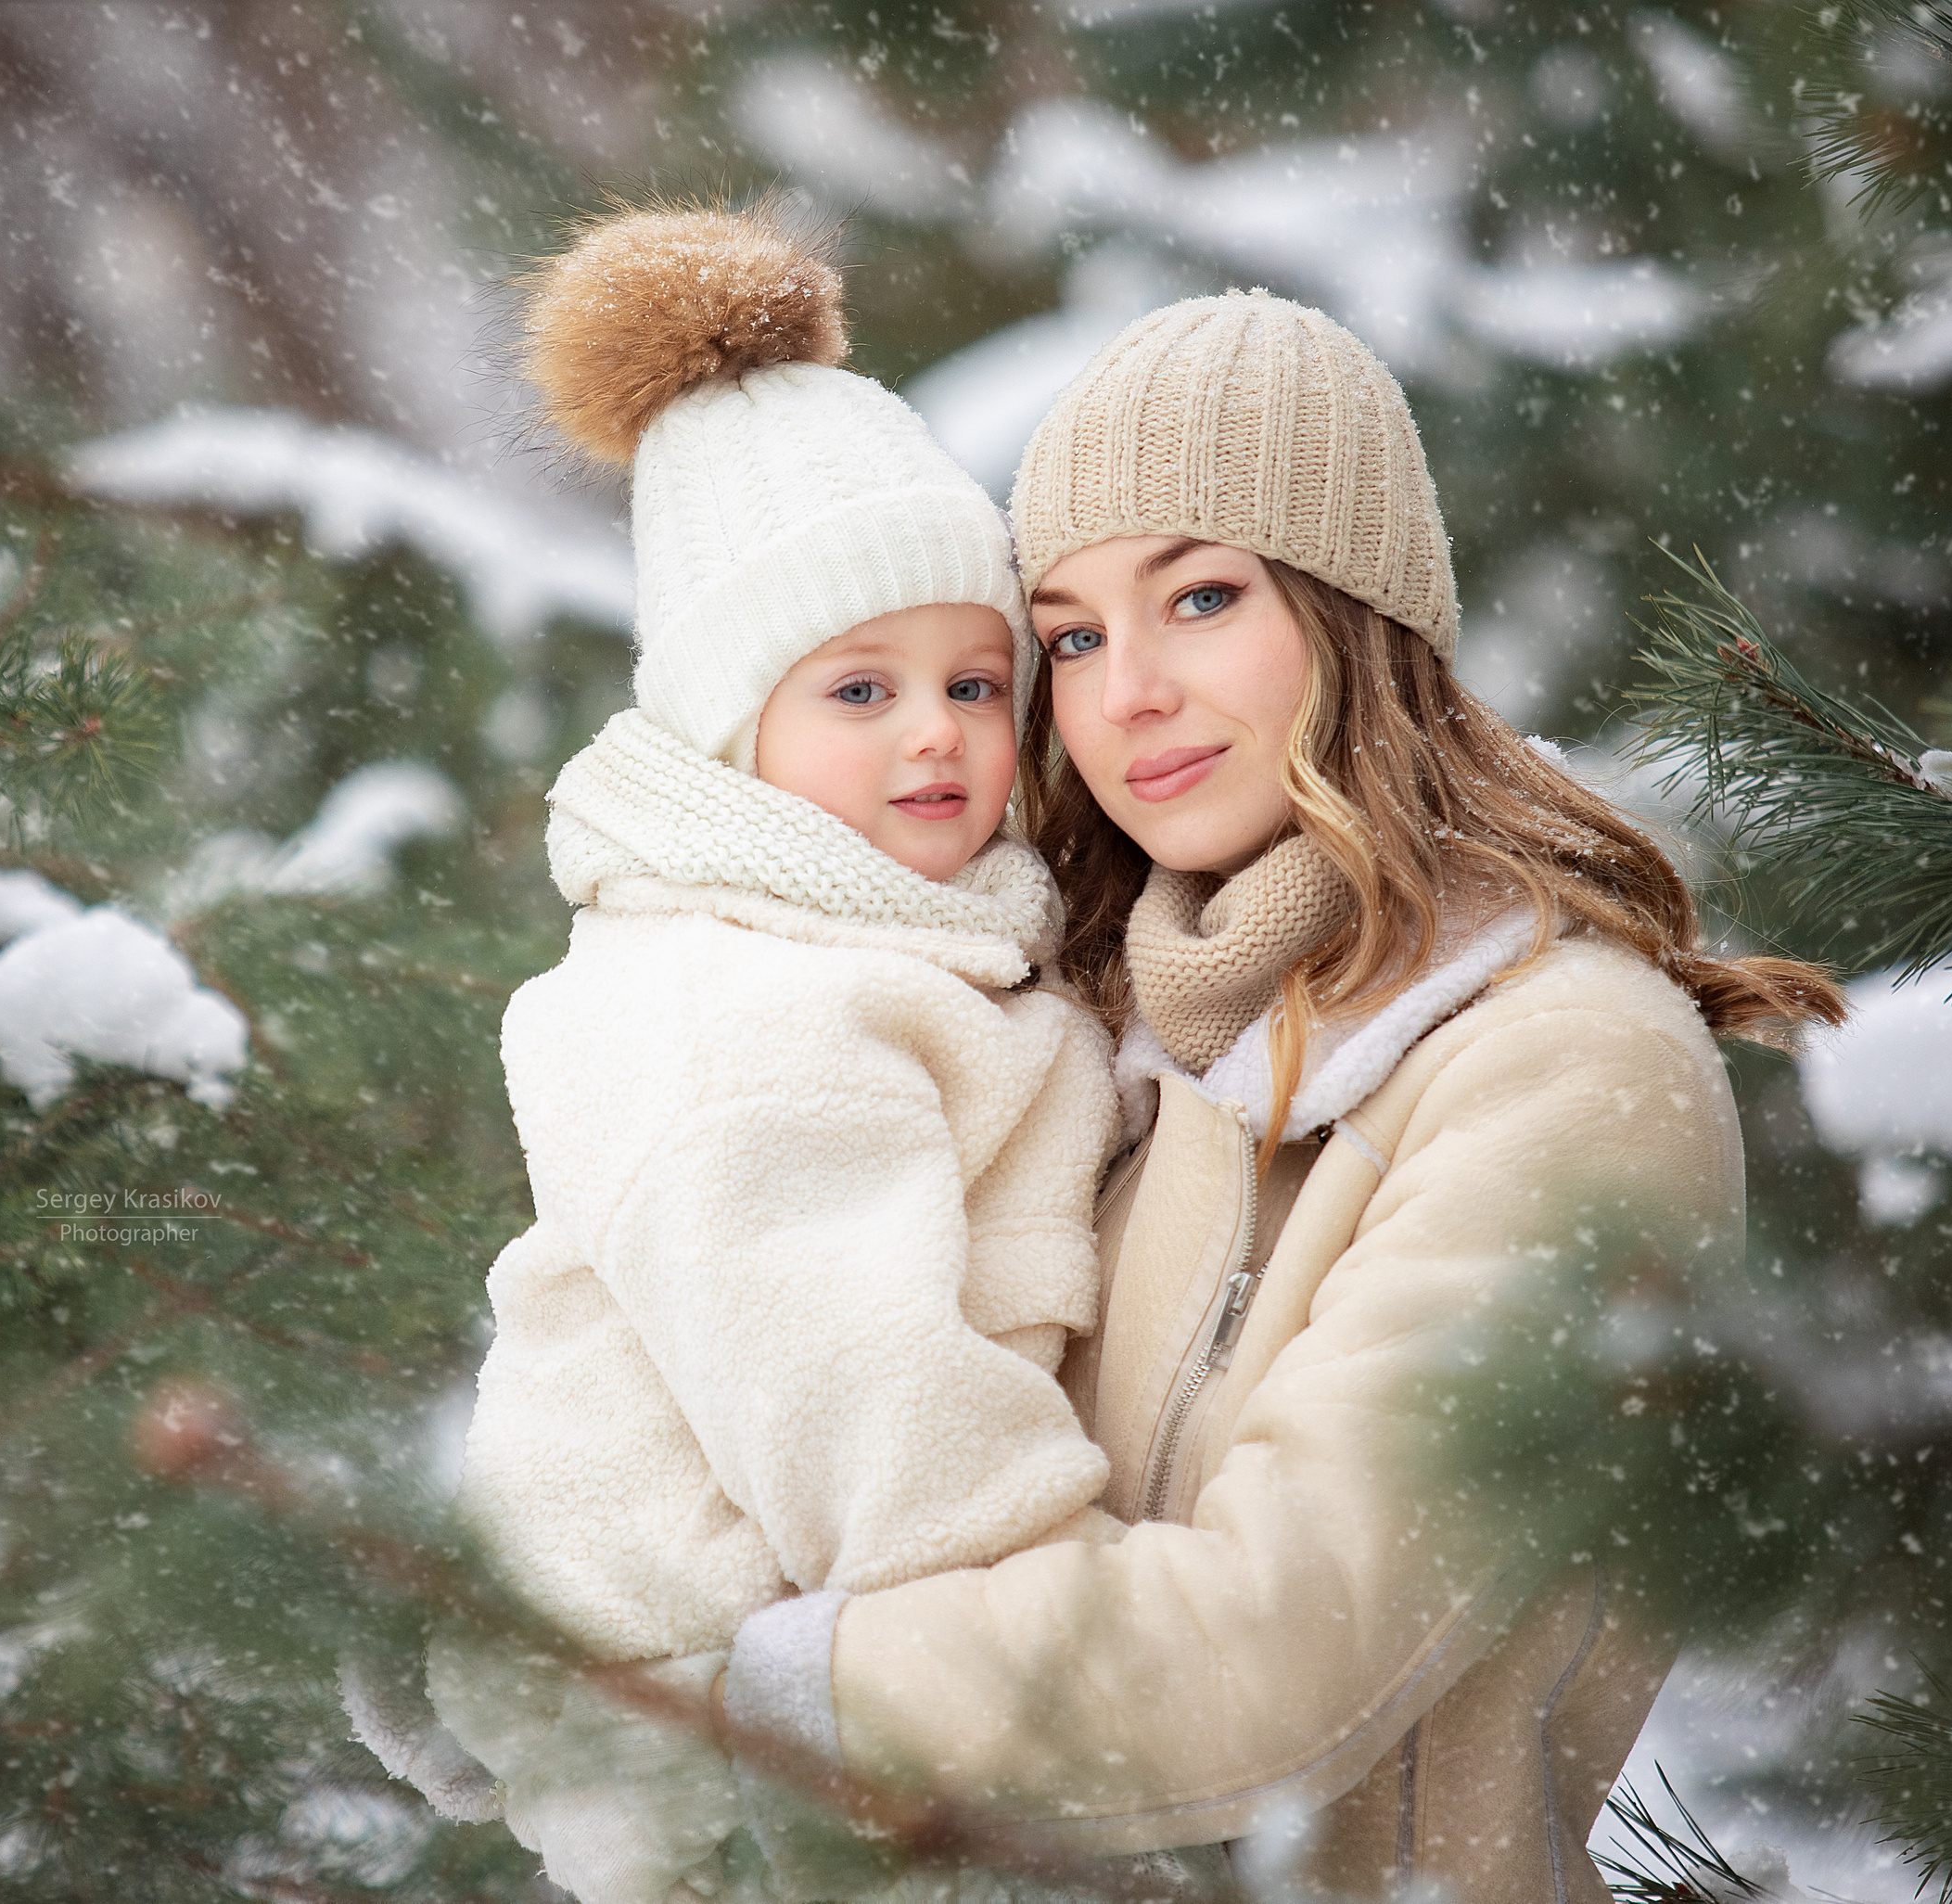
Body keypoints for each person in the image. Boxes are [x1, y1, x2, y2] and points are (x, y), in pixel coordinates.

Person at [695, 290, 1846, 1904]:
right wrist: (572, 1595)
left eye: (1203, 596)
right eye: (1075, 635)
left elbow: (1276, 1652)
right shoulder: (1088, 1040)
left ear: (1356, 612)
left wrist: (759, 1700)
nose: (1128, 692)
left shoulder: (1565, 1064)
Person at [392, 205, 1129, 1904]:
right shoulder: (743, 1007)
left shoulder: (908, 936)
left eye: (973, 678)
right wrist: (1061, 1626)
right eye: (858, 691)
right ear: (736, 732)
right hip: (705, 1690)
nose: (939, 730)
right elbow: (845, 1367)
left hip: (806, 1662)